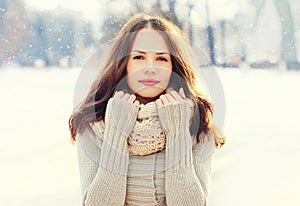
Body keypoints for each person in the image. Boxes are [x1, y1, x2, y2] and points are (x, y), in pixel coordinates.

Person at [69, 13, 225, 206]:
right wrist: (116, 131)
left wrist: (177, 130)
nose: (150, 67)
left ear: (173, 66)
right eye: (139, 57)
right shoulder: (92, 122)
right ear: (123, 63)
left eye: (161, 58)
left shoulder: (197, 122)